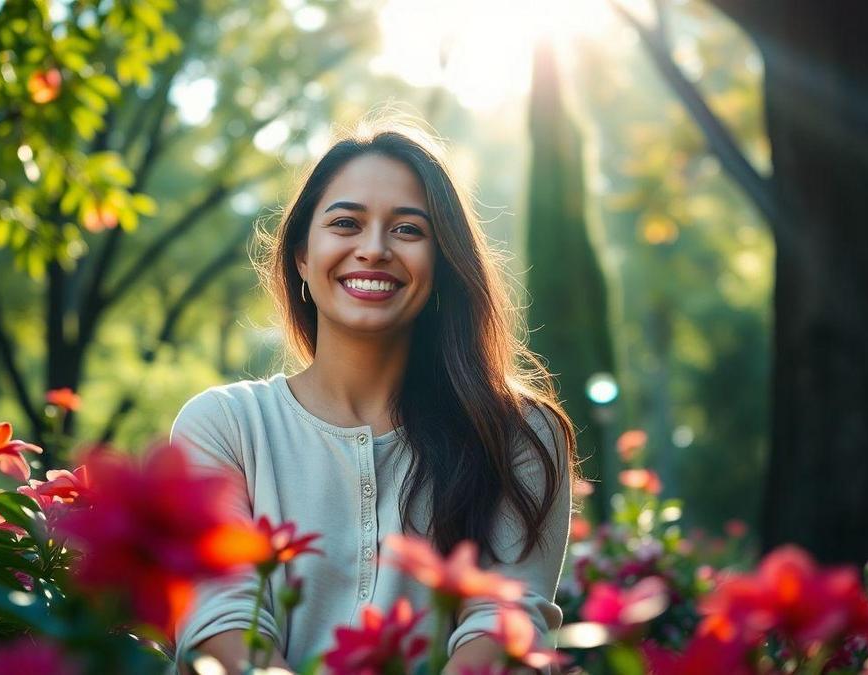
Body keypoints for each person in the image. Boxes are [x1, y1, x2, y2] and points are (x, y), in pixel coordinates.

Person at [170, 121, 577, 674]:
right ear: (301, 259)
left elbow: (504, 622)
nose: (374, 249)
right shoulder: (224, 427)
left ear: (443, 264)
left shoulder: (517, 435)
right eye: (345, 223)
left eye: (409, 230)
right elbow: (219, 620)